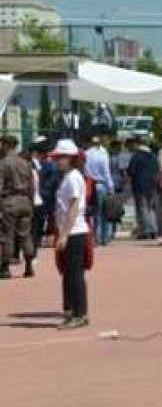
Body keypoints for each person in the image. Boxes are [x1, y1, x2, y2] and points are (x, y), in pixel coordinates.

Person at [51, 139, 91, 330]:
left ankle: (80, 313)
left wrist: (64, 234)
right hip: (70, 231)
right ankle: (72, 311)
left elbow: (74, 207)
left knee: (74, 275)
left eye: (61, 157)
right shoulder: (68, 177)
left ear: (71, 158)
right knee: (68, 274)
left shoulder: (74, 177)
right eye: (57, 157)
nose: (57, 160)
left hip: (75, 232)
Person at [0, 136, 36, 279]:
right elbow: (32, 186)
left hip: (10, 201)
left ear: (6, 145)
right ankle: (28, 266)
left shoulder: (3, 164)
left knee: (7, 235)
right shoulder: (25, 163)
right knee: (25, 234)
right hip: (25, 200)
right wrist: (31, 203)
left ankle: (4, 267)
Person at [83, 135, 114, 245]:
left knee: (92, 212)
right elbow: (106, 173)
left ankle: (94, 237)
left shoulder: (86, 155)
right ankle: (103, 237)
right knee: (103, 212)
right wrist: (111, 187)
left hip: (89, 184)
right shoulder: (102, 155)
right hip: (101, 185)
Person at [126, 136, 159, 240]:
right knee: (151, 208)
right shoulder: (153, 156)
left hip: (139, 185)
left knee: (142, 208)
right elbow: (157, 171)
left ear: (137, 144)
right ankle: (153, 229)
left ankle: (146, 230)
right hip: (152, 185)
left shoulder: (136, 156)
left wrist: (128, 185)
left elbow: (131, 172)